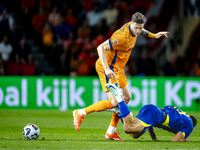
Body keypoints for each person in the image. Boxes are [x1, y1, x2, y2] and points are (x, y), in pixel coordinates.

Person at [73, 12, 168, 141]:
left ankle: (111, 132)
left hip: (118, 68)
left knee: (127, 97)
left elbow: (142, 30)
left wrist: (154, 35)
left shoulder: (136, 29)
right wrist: (106, 69)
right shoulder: (121, 37)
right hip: (107, 67)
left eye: (140, 28)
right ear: (131, 23)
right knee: (114, 102)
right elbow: (100, 48)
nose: (138, 31)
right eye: (136, 28)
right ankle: (81, 112)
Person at [105, 83, 197, 142]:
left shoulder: (181, 114)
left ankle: (120, 111)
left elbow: (151, 124)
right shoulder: (190, 125)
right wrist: (182, 140)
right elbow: (175, 140)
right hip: (154, 115)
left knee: (134, 135)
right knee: (128, 128)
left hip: (153, 110)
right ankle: (119, 97)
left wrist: (154, 139)